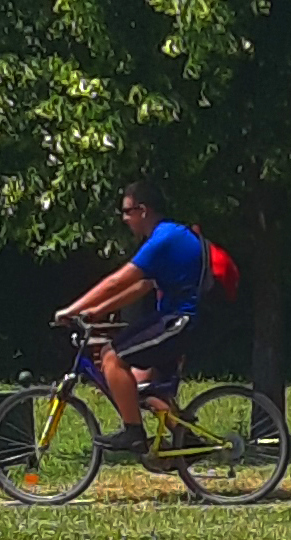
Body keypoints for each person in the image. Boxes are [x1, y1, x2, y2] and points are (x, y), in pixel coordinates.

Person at [54, 180, 202, 455]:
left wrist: (72, 309)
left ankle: (133, 433)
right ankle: (189, 442)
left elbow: (118, 280)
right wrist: (96, 311)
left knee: (112, 356)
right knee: (143, 386)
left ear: (142, 210)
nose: (124, 219)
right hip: (175, 320)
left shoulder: (163, 239)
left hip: (177, 321)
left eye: (126, 211)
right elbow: (141, 286)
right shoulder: (169, 236)